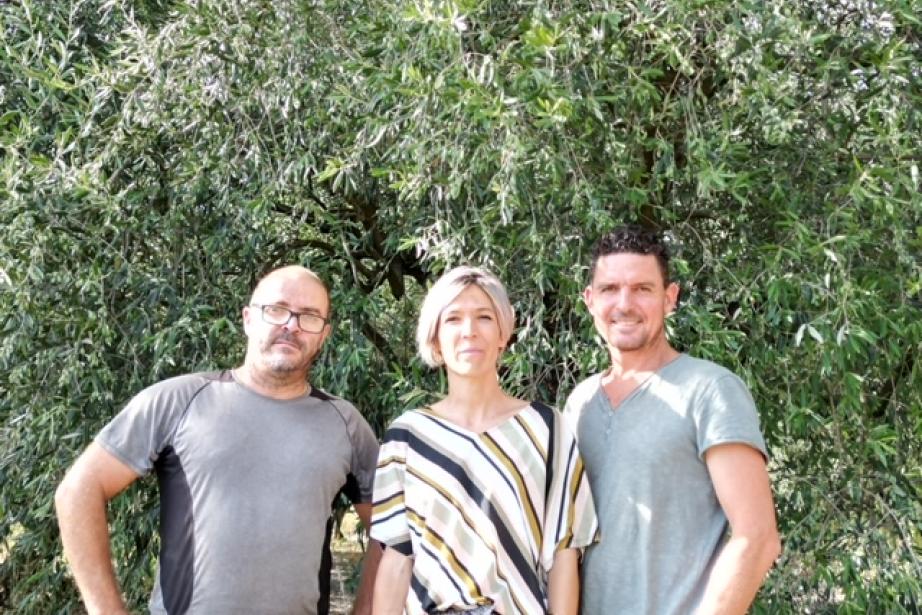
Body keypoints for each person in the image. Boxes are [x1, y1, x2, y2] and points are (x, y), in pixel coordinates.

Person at [55, 265, 381, 615]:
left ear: (323, 335)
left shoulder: (345, 425)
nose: (291, 325)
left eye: (310, 316)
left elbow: (391, 533)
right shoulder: (177, 401)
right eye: (277, 310)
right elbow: (78, 489)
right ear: (248, 319)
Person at [564, 225, 781, 614]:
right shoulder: (580, 402)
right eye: (610, 289)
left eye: (642, 289)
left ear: (670, 298)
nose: (625, 304)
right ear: (590, 301)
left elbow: (758, 537)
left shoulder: (710, 390)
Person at [371, 266, 598, 615]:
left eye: (484, 317)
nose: (469, 331)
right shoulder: (407, 437)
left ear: (503, 334)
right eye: (453, 319)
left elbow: (564, 553)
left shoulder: (547, 428)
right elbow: (397, 559)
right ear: (435, 339)